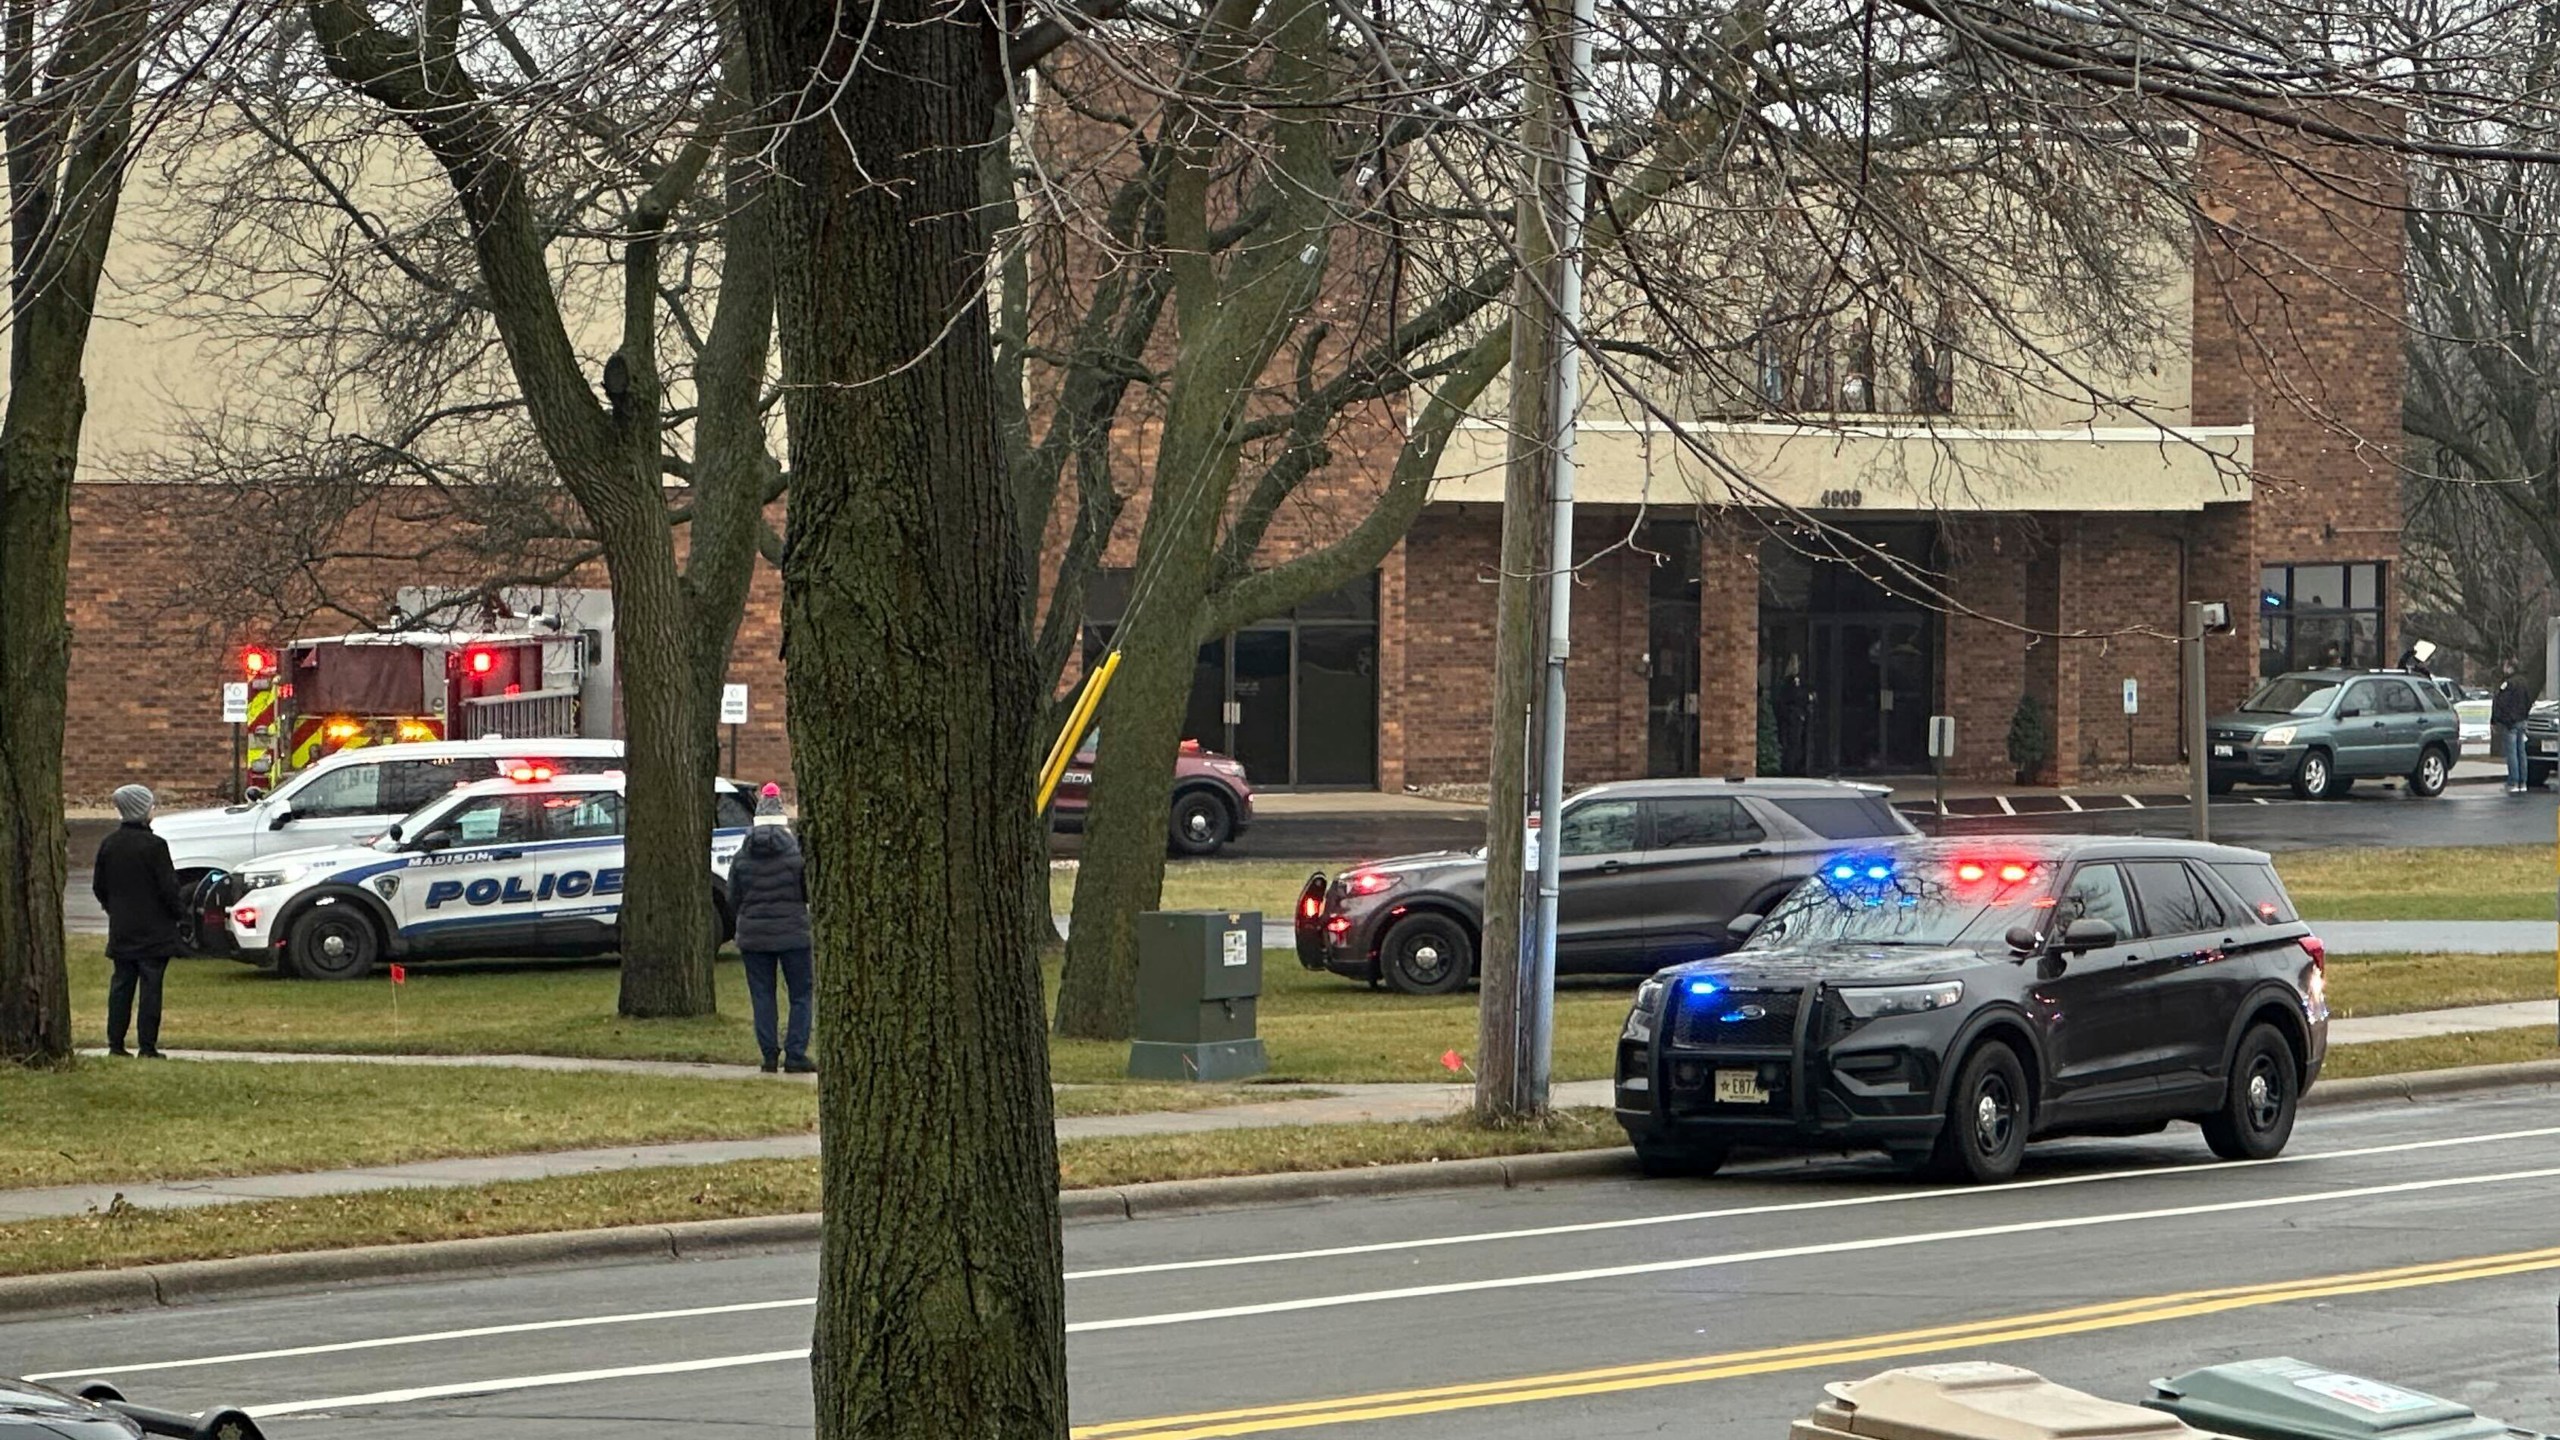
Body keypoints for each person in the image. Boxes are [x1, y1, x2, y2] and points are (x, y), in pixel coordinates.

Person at [93, 784, 185, 1058]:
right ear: (144, 809)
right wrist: (180, 913)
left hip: (122, 927)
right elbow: (168, 888)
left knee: (121, 985)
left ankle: (116, 1044)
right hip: (154, 929)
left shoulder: (109, 844)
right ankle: (147, 1045)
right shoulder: (155, 846)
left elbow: (100, 886)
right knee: (151, 988)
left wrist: (114, 910)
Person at [728, 782, 814, 1074]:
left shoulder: (741, 858)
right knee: (801, 994)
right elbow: (807, 893)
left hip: (753, 936)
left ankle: (768, 1055)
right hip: (794, 934)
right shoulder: (796, 856)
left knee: (762, 995)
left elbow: (732, 897)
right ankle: (796, 1052)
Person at [2492, 671, 2535, 794]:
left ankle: (2513, 781)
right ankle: (2523, 782)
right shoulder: (2524, 683)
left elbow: (2500, 703)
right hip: (2521, 721)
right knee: (2521, 752)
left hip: (2510, 723)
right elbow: (2528, 702)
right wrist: (2524, 716)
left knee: (2512, 753)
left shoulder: (2508, 684)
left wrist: (2497, 720)